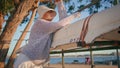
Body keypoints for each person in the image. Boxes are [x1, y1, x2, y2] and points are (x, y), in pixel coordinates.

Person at [14, 0, 80, 68]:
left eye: (52, 11)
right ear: (43, 13)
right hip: (26, 60)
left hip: (37, 62)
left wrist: (60, 3)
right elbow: (60, 24)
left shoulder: (48, 27)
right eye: (49, 11)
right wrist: (74, 15)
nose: (51, 13)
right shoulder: (40, 23)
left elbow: (64, 21)